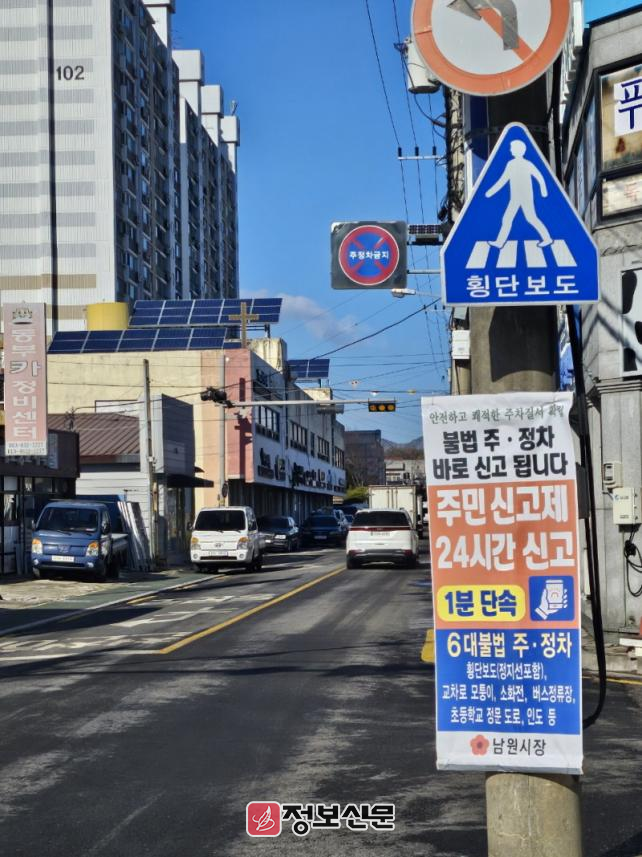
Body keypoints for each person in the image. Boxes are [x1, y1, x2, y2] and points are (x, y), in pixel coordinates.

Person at [485, 139, 553, 249]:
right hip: (515, 198)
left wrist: (543, 190)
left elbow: (539, 176)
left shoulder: (526, 164)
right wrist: (491, 192)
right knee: (508, 218)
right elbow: (503, 180)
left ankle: (547, 238)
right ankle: (500, 242)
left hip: (526, 197)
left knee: (530, 218)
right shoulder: (511, 164)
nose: (510, 150)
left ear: (517, 150)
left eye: (512, 148)